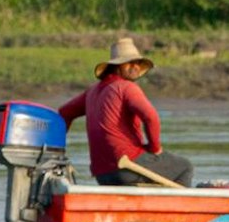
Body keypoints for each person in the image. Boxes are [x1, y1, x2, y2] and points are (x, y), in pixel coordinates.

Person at [57, 36, 194, 187]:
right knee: (185, 167)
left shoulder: (92, 91)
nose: (135, 66)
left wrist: (58, 149)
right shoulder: (126, 87)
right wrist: (155, 148)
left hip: (102, 174)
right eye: (129, 63)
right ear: (117, 66)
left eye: (137, 63)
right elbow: (151, 117)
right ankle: (172, 209)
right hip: (127, 165)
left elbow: (64, 113)